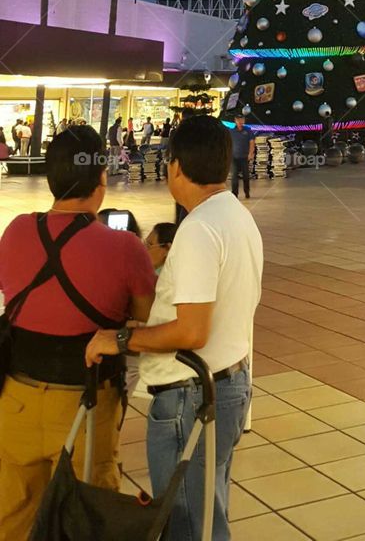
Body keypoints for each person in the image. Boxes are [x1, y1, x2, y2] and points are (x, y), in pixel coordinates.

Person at [87, 114, 263, 541]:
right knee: (206, 514)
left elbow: (191, 333)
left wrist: (121, 339)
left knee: (185, 522)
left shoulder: (200, 229)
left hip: (191, 397)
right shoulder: (236, 216)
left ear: (177, 166)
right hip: (227, 382)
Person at [0, 127, 156, 540]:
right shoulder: (125, 248)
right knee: (88, 521)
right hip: (87, 408)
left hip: (15, 400)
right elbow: (143, 318)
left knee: (11, 516)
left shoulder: (15, 231)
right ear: (101, 177)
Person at [230, 112, 257, 200]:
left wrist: (251, 153)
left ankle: (247, 191)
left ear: (244, 120)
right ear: (235, 121)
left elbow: (252, 142)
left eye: (242, 119)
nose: (240, 121)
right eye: (238, 120)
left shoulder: (248, 130)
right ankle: (234, 194)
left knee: (246, 176)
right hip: (234, 157)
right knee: (234, 176)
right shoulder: (231, 131)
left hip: (245, 157)